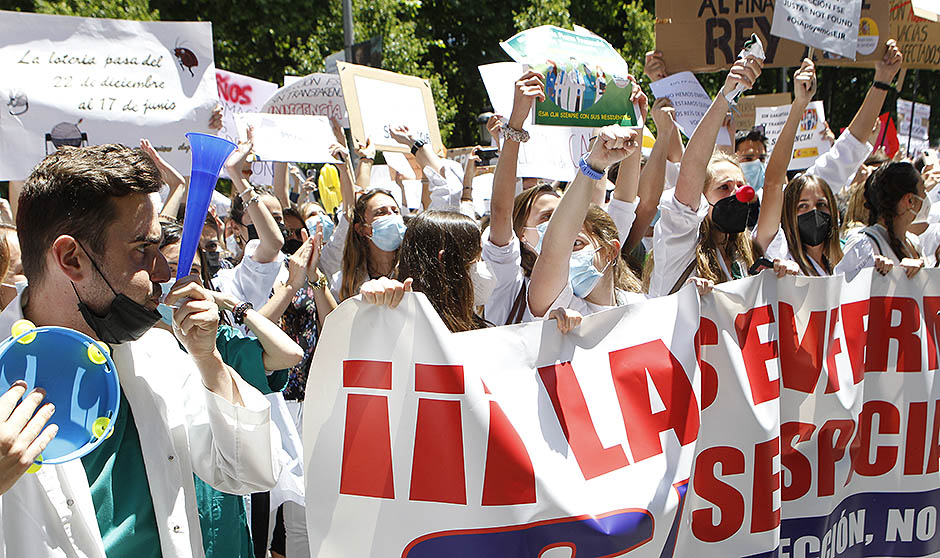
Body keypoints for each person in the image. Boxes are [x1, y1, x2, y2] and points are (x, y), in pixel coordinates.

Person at [1, 143, 279, 557]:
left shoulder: (159, 354)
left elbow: (248, 472)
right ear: (71, 258)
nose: (164, 272)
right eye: (141, 251)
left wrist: (209, 361)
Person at [157, 220, 302, 558]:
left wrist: (231, 304)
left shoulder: (216, 341)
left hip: (223, 500)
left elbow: (288, 354)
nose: (182, 283)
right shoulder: (127, 348)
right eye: (171, 271)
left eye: (192, 271)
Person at [648, 54, 787, 297]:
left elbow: (774, 183)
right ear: (700, 199)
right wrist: (724, 97)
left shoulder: (746, 256)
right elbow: (691, 169)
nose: (738, 194)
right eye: (724, 187)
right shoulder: (679, 246)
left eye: (741, 185)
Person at [527, 125, 646, 319]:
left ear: (610, 251)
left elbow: (625, 201)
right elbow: (554, 251)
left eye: (576, 244)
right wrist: (592, 165)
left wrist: (635, 126)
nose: (566, 254)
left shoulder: (644, 306)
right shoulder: (559, 306)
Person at [360, 210, 489, 333]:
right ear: (446, 261)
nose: (482, 264)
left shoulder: (473, 326)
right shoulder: (398, 321)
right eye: (476, 257)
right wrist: (377, 297)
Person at [835, 162, 928, 279]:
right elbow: (841, 289)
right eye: (923, 190)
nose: (926, 196)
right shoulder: (864, 244)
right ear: (909, 200)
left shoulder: (913, 242)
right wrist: (874, 269)